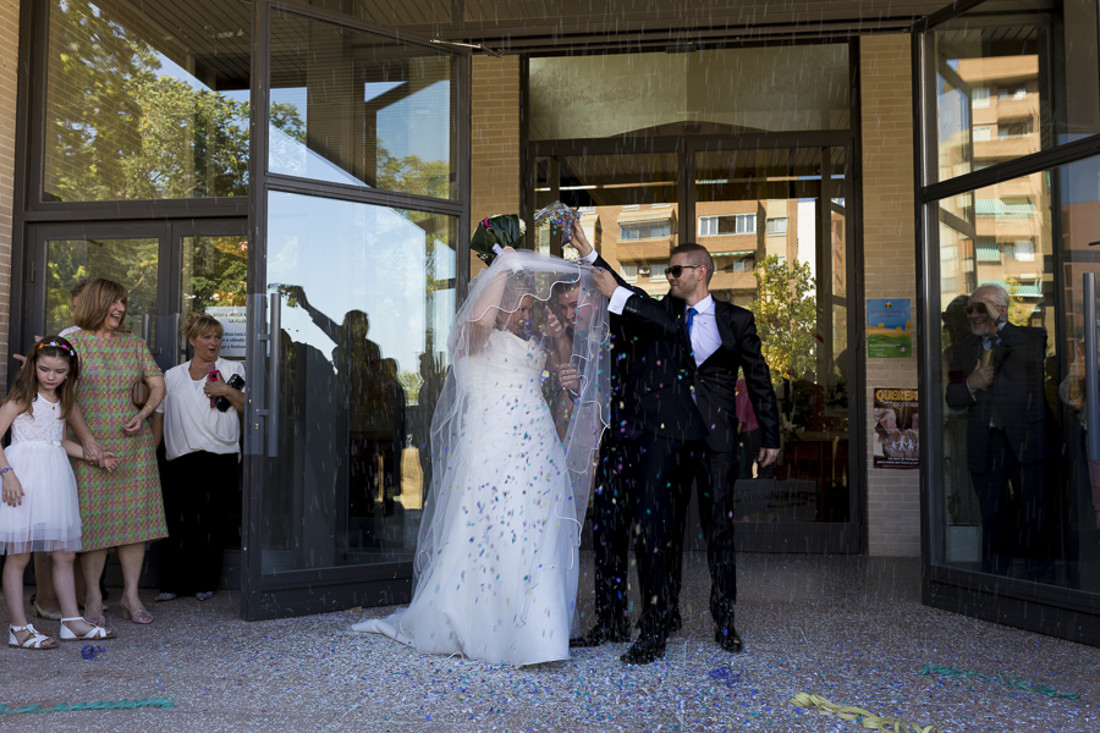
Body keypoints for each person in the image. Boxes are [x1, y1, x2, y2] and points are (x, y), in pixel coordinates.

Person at [353, 247, 609, 666]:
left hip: (537, 446)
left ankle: (539, 634)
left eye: (529, 307)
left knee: (536, 529)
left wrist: (557, 332)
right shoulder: (471, 334)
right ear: (502, 302)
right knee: (486, 529)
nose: (527, 315)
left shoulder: (531, 337)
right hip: (491, 442)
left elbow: (564, 367)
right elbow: (483, 320)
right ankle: (483, 627)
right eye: (522, 307)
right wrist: (503, 266)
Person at [569, 225, 709, 665]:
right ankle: (610, 620)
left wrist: (609, 278)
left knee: (653, 536)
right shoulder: (620, 314)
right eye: (666, 271)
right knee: (606, 529)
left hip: (660, 439)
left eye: (676, 270)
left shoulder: (670, 313)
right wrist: (590, 254)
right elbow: (621, 293)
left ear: (699, 273)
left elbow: (642, 305)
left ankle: (654, 628)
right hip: (618, 437)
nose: (670, 277)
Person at [0, 336, 116, 649]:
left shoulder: (63, 402)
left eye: (59, 371)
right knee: (19, 554)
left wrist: (93, 455)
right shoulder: (21, 398)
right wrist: (7, 474)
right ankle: (19, 628)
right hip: (22, 477)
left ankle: (71, 621)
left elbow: (57, 440)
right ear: (32, 367)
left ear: (69, 372)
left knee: (64, 552)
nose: (51, 376)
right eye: (44, 369)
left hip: (55, 477)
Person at [67, 278, 168, 625]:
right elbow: (67, 398)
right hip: (90, 447)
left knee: (134, 524)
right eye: (115, 302)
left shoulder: (134, 344)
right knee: (94, 523)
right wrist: (89, 443)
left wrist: (144, 414)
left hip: (133, 447)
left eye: (123, 303)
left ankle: (131, 595)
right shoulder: (71, 344)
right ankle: (94, 598)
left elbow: (157, 383)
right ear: (97, 302)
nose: (121, 309)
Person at [945, 284, 1057, 580]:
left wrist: (999, 326)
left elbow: (1031, 359)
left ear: (1002, 309)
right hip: (987, 445)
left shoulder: (1031, 338)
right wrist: (971, 384)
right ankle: (994, 583)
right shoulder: (960, 351)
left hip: (1028, 442)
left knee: (1034, 516)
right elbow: (952, 398)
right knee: (993, 518)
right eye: (970, 309)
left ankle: (1040, 584)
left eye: (981, 307)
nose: (973, 314)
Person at [151, 312, 245, 603]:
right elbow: (159, 417)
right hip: (179, 456)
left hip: (220, 456)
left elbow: (246, 406)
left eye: (217, 337)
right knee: (177, 522)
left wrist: (226, 390)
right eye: (206, 337)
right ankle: (172, 583)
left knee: (212, 523)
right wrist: (150, 455)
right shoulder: (172, 375)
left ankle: (206, 582)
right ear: (192, 340)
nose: (213, 342)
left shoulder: (232, 368)